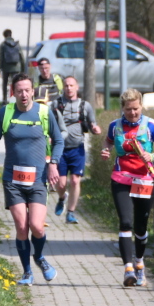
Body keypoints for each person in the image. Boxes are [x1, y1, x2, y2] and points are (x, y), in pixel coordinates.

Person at [0, 73, 64, 286]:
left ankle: (39, 257)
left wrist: (53, 163)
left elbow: (58, 141)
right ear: (13, 92)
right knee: (21, 227)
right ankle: (27, 272)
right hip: (13, 180)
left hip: (38, 179)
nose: (24, 94)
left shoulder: (44, 113)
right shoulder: (6, 112)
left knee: (37, 226)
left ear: (33, 91)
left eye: (27, 90)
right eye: (19, 91)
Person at [101, 88, 154, 287]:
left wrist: (153, 156)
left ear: (141, 106)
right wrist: (106, 150)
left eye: (136, 109)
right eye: (128, 109)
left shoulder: (151, 125)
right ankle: (128, 269)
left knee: (141, 226)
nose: (132, 113)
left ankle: (139, 263)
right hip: (121, 179)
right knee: (125, 222)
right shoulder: (115, 126)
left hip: (144, 180)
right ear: (122, 108)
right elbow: (108, 141)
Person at [51, 76, 102, 224]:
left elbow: (92, 123)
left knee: (74, 180)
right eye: (66, 85)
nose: (69, 88)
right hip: (59, 150)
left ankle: (71, 213)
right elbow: (49, 123)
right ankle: (62, 198)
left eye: (71, 85)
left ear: (77, 87)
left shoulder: (85, 106)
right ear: (63, 87)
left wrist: (95, 128)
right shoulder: (56, 104)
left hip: (77, 149)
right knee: (60, 183)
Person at [0, 29, 24, 105]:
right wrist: (22, 68)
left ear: (4, 36)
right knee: (16, 83)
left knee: (5, 84)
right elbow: (22, 57)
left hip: (6, 67)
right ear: (11, 34)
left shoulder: (3, 45)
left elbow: (1, 57)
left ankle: (4, 100)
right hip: (16, 67)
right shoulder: (17, 44)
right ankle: (16, 99)